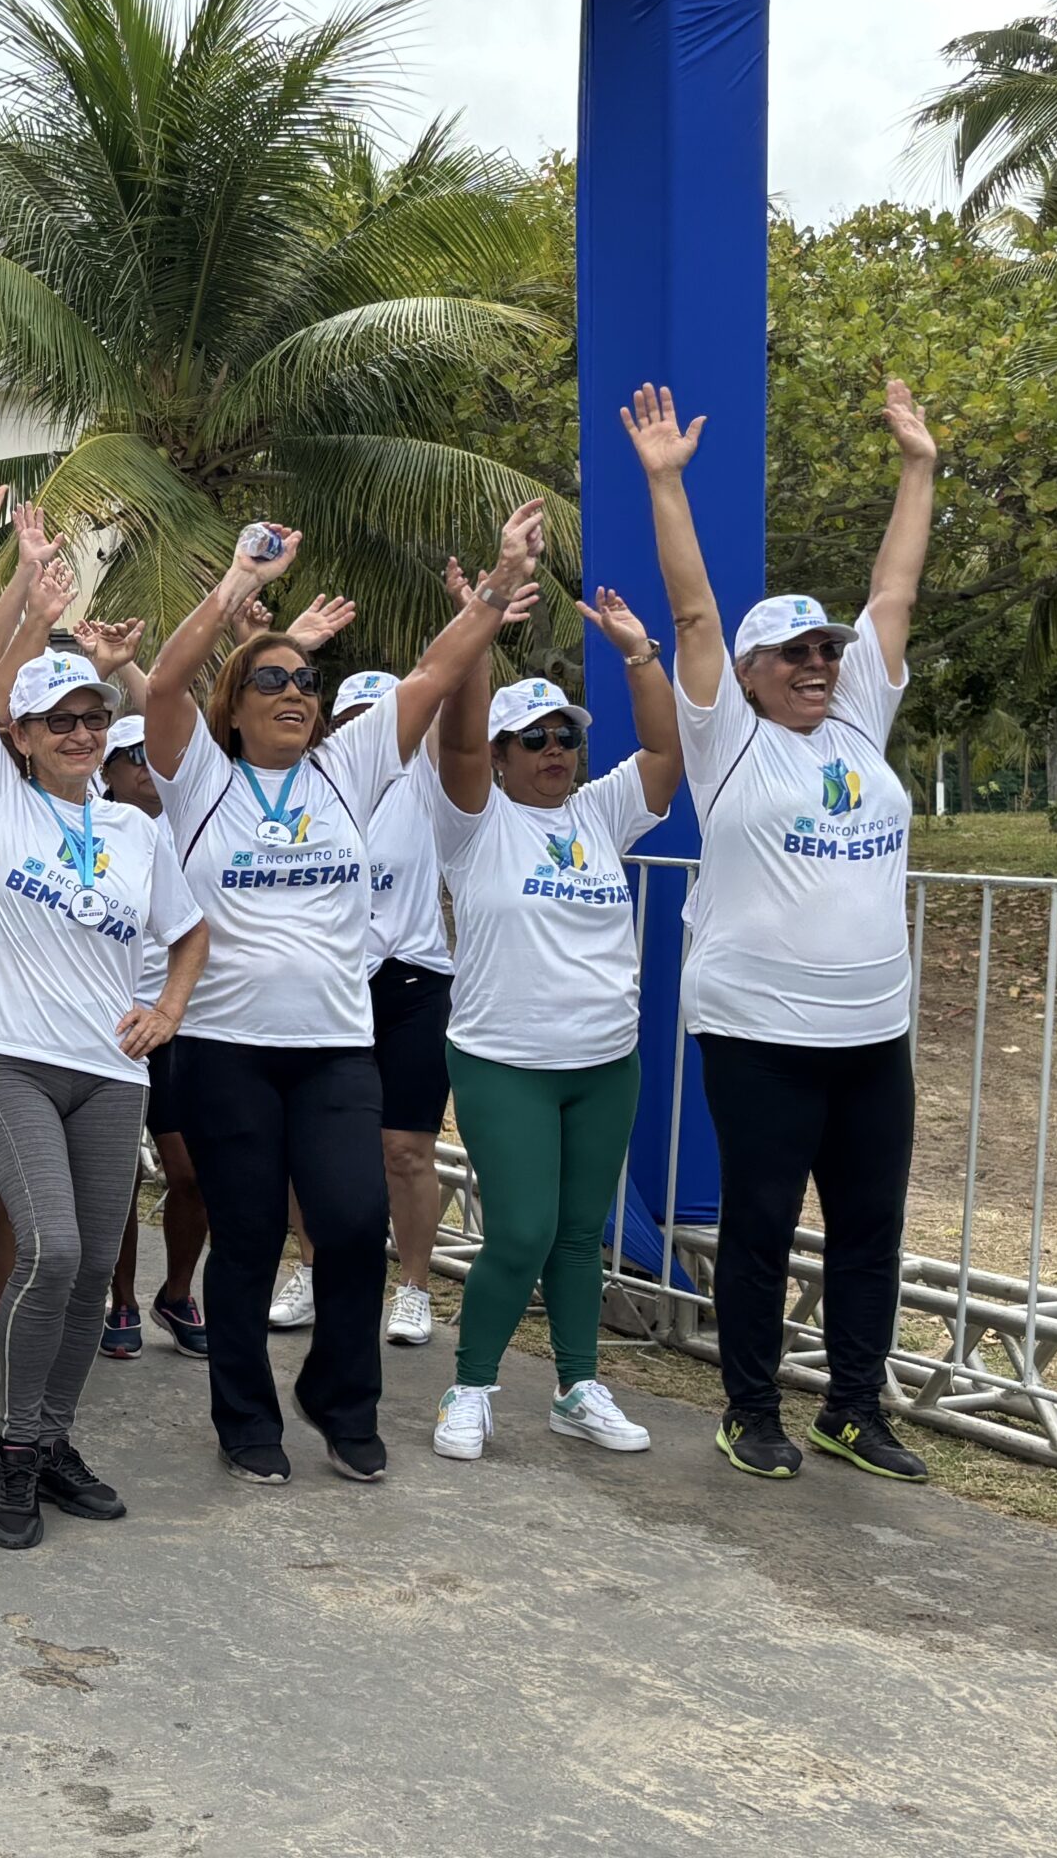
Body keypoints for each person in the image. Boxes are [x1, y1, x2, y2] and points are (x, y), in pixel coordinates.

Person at [145, 506, 539, 1488]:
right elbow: (161, 684)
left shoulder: (347, 769)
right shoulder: (198, 778)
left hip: (332, 1049)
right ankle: (246, 1418)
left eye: (306, 682)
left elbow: (434, 674)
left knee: (355, 1224)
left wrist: (494, 587)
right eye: (271, 680)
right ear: (235, 706)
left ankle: (339, 1399)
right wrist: (238, 586)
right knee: (246, 1238)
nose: (294, 691)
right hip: (223, 1049)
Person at [624, 378, 936, 1483]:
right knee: (760, 1227)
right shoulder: (729, 744)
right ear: (751, 676)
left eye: (825, 652)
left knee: (868, 1231)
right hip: (760, 1035)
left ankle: (852, 1409)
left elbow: (893, 592)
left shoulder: (858, 725)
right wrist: (666, 483)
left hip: (872, 1036)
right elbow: (694, 616)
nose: (816, 665)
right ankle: (751, 1410)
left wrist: (918, 466)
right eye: (793, 654)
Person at [0, 454, 210, 1549]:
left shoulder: (136, 829)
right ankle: (13, 1452)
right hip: (6, 1060)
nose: (81, 735)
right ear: (21, 735)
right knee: (47, 1249)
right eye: (59, 721)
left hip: (109, 1072)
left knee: (96, 1268)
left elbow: (189, 933)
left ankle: (52, 1441)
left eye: (94, 720)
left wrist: (169, 1010)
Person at [427, 584, 682, 1459]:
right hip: (504, 1062)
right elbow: (457, 741)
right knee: (522, 1231)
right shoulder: (473, 822)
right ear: (501, 755)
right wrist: (481, 627)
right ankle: (471, 1387)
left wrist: (639, 655)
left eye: (566, 736)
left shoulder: (601, 812)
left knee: (579, 1236)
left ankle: (577, 1387)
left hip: (605, 1062)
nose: (554, 751)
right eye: (532, 739)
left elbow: (665, 749)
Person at [266, 664, 453, 1346]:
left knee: (405, 1149)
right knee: (307, 1141)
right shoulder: (315, 784)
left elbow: (445, 692)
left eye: (384, 717)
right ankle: (311, 1270)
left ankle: (413, 1289)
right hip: (328, 978)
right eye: (354, 720)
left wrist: (479, 619)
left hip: (411, 982)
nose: (370, 731)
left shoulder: (425, 779)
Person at [94, 714, 211, 1361]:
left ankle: (177, 1292)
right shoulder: (92, 824)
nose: (147, 766)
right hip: (107, 1025)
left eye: (153, 753)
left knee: (191, 1172)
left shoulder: (193, 819)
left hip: (172, 1022)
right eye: (131, 755)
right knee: (117, 1179)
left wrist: (172, 1006)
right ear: (107, 772)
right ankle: (122, 1302)